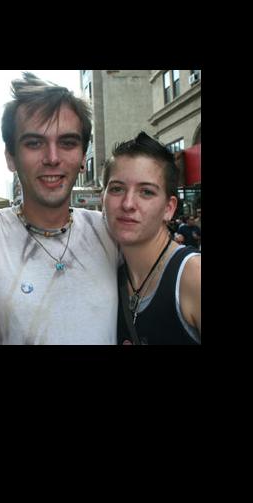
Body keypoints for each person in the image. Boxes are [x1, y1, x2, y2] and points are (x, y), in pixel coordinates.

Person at [0, 72, 119, 344]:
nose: (52, 158)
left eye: (67, 143)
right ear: (10, 157)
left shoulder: (112, 233)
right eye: (34, 143)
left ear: (84, 156)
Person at [102, 131, 201, 345]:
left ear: (169, 208)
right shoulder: (108, 275)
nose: (128, 204)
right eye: (117, 189)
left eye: (146, 192)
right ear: (103, 198)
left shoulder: (193, 276)